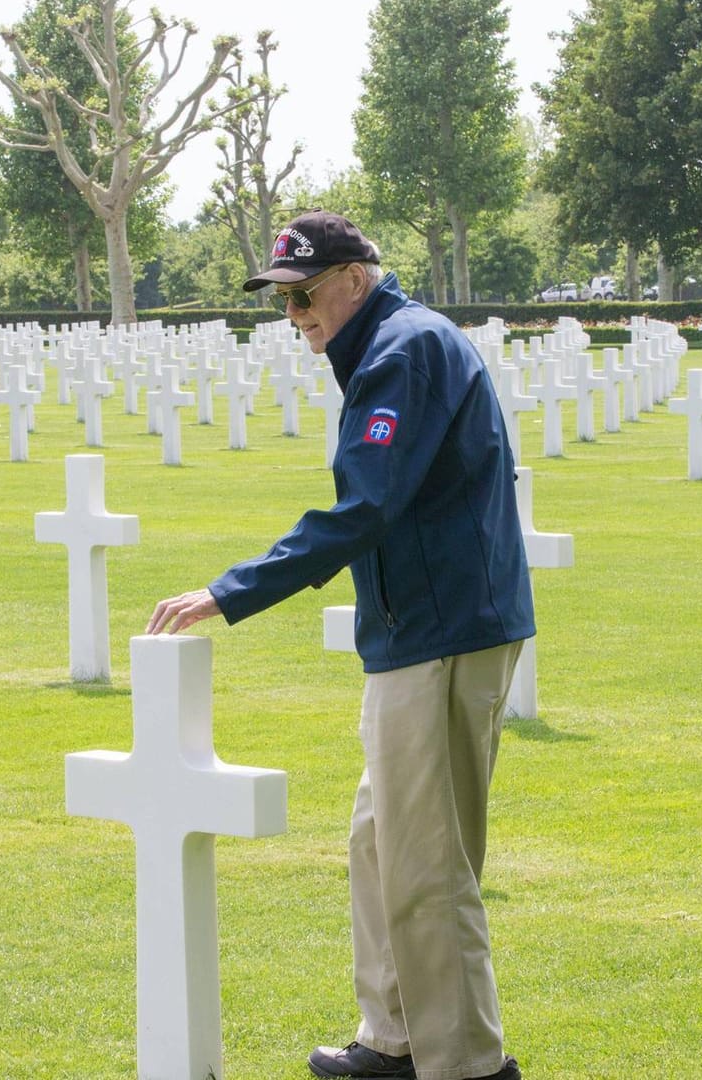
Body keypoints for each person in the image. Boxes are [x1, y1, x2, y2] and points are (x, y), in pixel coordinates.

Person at [147, 211, 533, 1080]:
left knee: (427, 864)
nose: (297, 318)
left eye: (306, 294)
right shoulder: (389, 344)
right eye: (284, 304)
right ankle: (392, 1036)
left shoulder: (401, 351)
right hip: (421, 627)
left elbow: (366, 505)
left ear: (356, 277)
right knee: (377, 842)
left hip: (438, 633)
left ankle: (467, 1064)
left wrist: (232, 590)